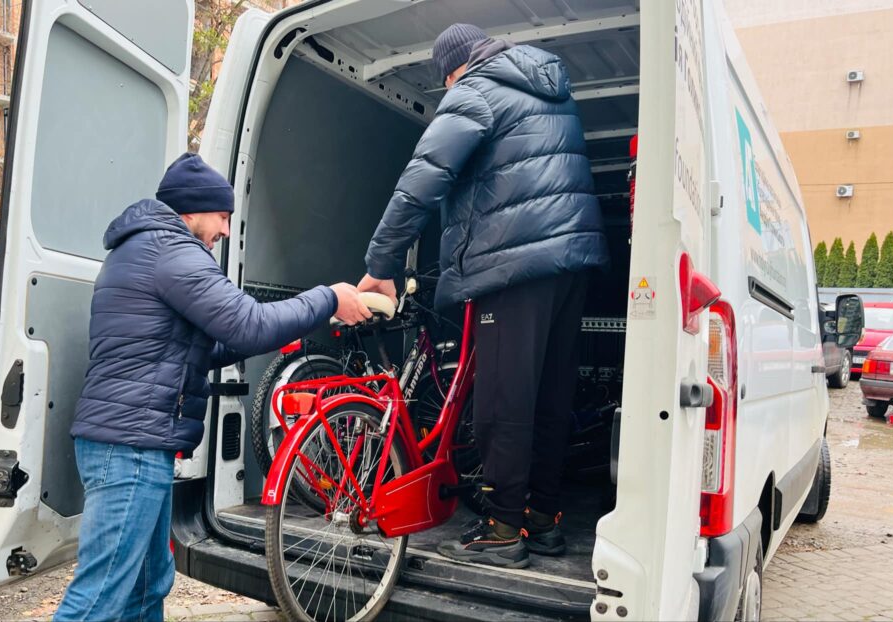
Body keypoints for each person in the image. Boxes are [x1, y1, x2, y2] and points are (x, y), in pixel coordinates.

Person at [54, 153, 371, 621]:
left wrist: (278, 335)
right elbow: (246, 324)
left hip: (133, 443)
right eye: (222, 217)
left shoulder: (144, 249)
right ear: (192, 211)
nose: (225, 230)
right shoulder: (170, 250)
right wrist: (328, 299)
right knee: (100, 597)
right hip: (131, 447)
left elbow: (193, 350)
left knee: (146, 586)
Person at [358, 24, 609, 569]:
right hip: (571, 263)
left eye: (444, 81)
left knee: (503, 400)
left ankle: (500, 531)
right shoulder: (547, 88)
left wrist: (380, 266)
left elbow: (423, 178)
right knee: (548, 395)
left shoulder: (475, 91)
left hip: (514, 264)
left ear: (452, 70)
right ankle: (543, 521)